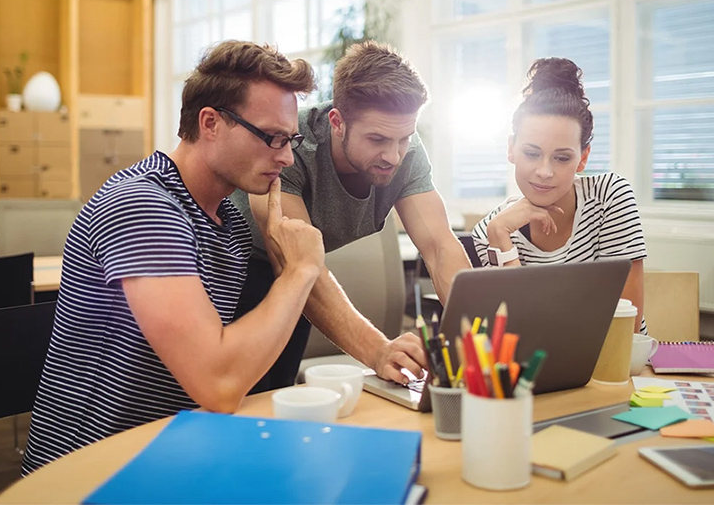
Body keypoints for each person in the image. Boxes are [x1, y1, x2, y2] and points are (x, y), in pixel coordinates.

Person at [22, 41, 324, 474]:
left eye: (290, 139)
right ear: (211, 123)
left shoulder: (231, 227)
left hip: (174, 453)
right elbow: (218, 384)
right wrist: (301, 270)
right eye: (272, 137)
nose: (286, 156)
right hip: (92, 470)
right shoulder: (142, 205)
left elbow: (230, 366)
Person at [232, 41, 472, 392]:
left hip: (300, 279)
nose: (393, 155)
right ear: (337, 122)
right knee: (242, 403)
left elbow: (438, 247)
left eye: (404, 138)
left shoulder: (406, 152)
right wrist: (378, 351)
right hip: (236, 271)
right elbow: (296, 264)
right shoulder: (289, 145)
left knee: (281, 396)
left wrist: (479, 339)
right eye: (377, 139)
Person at [471, 57, 648, 333]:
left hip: (615, 368)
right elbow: (516, 334)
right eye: (531, 153)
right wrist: (500, 236)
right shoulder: (491, 230)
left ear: (583, 158)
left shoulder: (609, 196)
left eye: (562, 158)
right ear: (511, 149)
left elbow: (628, 326)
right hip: (538, 374)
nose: (544, 172)